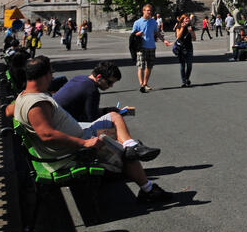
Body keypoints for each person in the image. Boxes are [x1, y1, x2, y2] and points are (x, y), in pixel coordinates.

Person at [13, 56, 172, 203]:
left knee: (117, 131)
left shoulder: (24, 96)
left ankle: (131, 149)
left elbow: (9, 110)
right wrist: (84, 143)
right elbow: (46, 134)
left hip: (68, 139)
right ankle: (147, 188)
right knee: (124, 151)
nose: (52, 77)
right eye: (51, 73)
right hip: (67, 152)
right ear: (45, 75)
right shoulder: (38, 103)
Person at [53, 61, 130, 122]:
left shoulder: (79, 78)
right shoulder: (92, 90)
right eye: (109, 82)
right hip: (62, 125)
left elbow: (89, 112)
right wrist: (112, 115)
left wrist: (105, 111)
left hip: (54, 118)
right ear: (99, 77)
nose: (111, 86)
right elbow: (92, 120)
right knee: (114, 122)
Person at [132, 4, 171, 93]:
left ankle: (145, 83)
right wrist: (138, 34)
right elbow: (132, 35)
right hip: (141, 47)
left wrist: (164, 40)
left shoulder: (153, 22)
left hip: (151, 47)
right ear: (143, 11)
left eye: (150, 10)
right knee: (141, 66)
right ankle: (141, 84)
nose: (149, 12)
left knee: (149, 66)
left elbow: (157, 33)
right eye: (147, 10)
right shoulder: (137, 22)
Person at [174, 14, 196, 87]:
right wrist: (182, 28)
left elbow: (194, 38)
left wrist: (191, 32)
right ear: (182, 19)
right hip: (181, 48)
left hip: (189, 47)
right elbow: (178, 36)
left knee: (189, 65)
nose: (187, 19)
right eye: (186, 18)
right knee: (182, 66)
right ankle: (184, 81)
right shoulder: (178, 26)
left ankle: (186, 78)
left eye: (188, 18)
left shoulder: (190, 27)